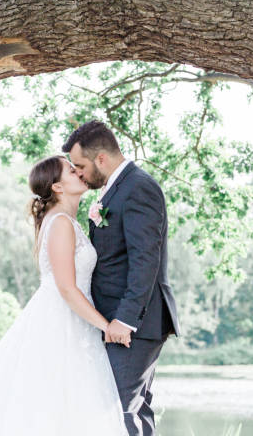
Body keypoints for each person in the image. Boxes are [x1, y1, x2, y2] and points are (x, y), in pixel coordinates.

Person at [0, 155, 128, 436]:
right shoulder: (60, 222)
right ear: (58, 187)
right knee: (52, 405)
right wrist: (105, 326)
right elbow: (66, 288)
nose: (80, 173)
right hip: (60, 323)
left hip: (74, 321)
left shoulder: (66, 221)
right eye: (72, 171)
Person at [63, 120, 180, 436]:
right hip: (117, 321)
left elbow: (146, 258)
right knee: (132, 411)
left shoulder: (138, 186)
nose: (79, 173)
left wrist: (124, 321)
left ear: (101, 158)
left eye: (81, 165)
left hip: (131, 326)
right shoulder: (114, 189)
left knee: (120, 413)